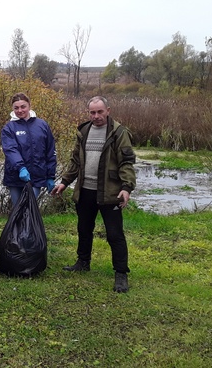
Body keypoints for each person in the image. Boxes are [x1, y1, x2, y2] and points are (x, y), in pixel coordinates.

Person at [51, 96, 136, 293]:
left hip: (110, 193)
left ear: (108, 110)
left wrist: (126, 187)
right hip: (85, 191)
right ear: (88, 113)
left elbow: (126, 163)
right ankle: (83, 262)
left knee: (115, 235)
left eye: (99, 112)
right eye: (92, 112)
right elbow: (75, 161)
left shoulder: (119, 132)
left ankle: (121, 274)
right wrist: (64, 182)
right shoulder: (83, 131)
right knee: (84, 228)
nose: (96, 116)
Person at [1, 92, 57, 207]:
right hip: (15, 176)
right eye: (16, 108)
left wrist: (50, 175)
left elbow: (50, 151)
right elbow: (11, 150)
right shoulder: (9, 128)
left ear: (29, 106)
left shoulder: (42, 125)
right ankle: (18, 226)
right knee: (18, 210)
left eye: (23, 107)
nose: (20, 110)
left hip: (36, 176)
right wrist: (21, 167)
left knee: (30, 208)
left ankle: (30, 226)